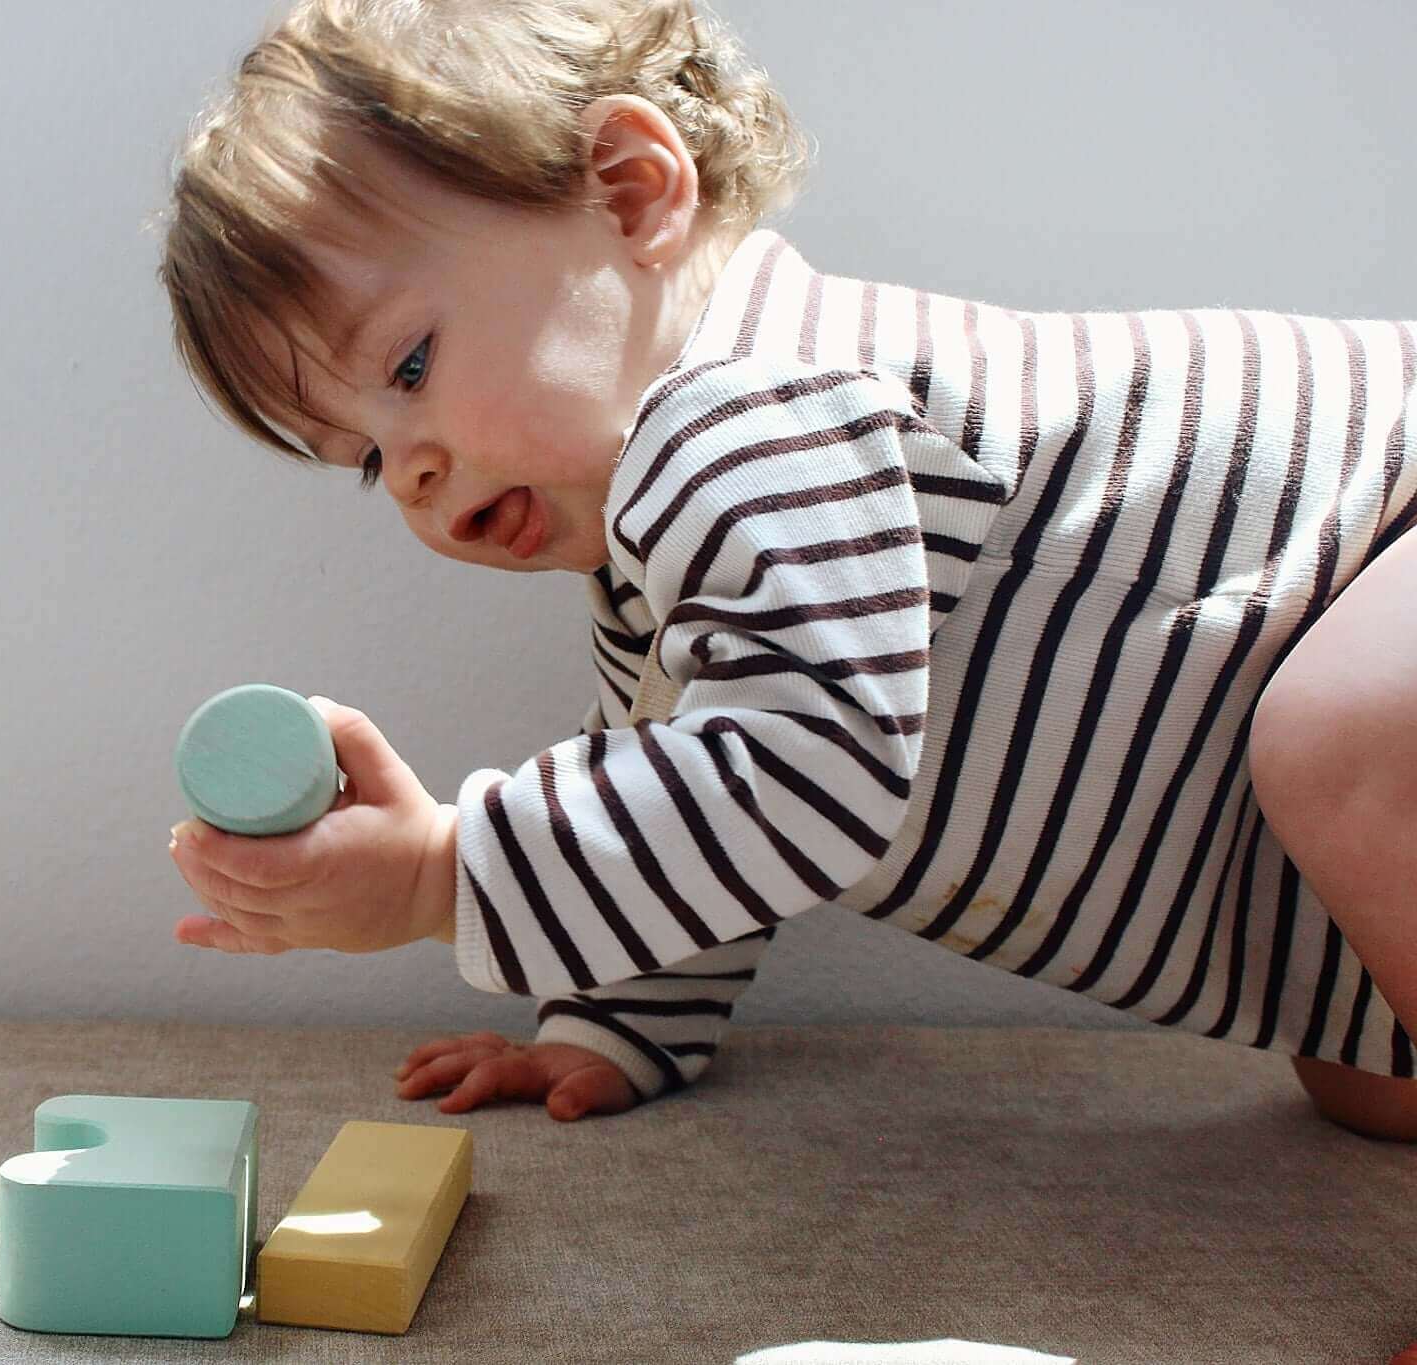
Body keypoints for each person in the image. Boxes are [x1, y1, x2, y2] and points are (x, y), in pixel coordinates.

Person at [156, 0, 1417, 1149]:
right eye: (369, 458)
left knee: (1341, 740)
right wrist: (608, 1027)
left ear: (633, 190)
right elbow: (689, 777)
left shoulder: (750, 412)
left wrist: (444, 874)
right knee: (1365, 1076)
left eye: (413, 369)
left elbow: (806, 767)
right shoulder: (665, 547)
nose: (413, 471)